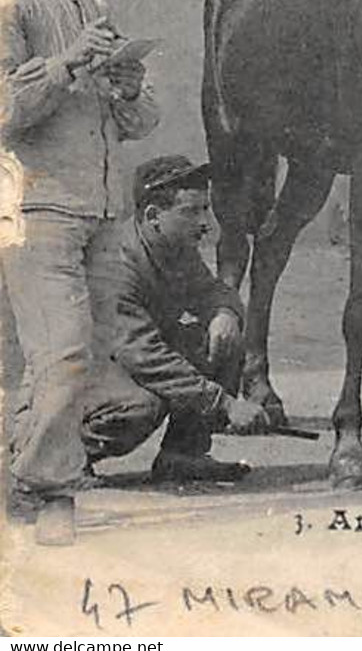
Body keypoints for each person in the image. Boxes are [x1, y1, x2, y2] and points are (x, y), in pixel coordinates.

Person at [1, 0, 160, 546]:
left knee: (76, 365)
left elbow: (141, 121)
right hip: (35, 208)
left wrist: (125, 85)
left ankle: (24, 476)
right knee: (62, 359)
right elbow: (7, 109)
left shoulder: (93, 8)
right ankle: (48, 489)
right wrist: (68, 64)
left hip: (99, 210)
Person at [81, 156, 270, 482]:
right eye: (191, 211)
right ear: (153, 216)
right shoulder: (115, 264)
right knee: (140, 407)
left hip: (129, 357)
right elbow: (145, 357)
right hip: (87, 371)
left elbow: (212, 291)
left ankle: (183, 455)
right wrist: (224, 404)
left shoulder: (175, 245)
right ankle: (64, 455)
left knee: (223, 337)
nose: (205, 223)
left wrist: (223, 313)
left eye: (205, 209)